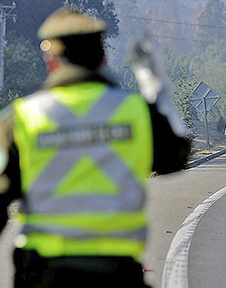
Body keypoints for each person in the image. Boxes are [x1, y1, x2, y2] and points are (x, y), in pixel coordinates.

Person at [0, 8, 190, 288]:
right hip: (117, 274)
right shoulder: (137, 113)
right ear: (103, 58)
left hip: (44, 275)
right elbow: (177, 155)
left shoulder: (22, 119)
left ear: (51, 61)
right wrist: (155, 86)